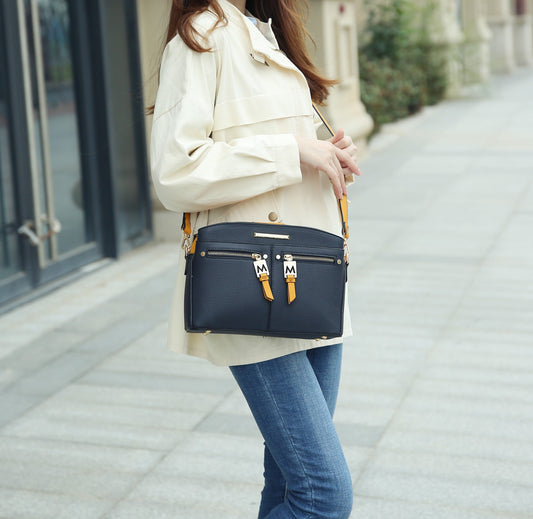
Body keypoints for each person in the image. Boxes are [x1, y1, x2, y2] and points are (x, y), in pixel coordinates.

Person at [150, 0, 361, 517]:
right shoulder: (201, 37)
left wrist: (327, 155)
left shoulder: (264, 30)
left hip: (311, 277)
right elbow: (176, 172)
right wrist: (293, 151)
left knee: (290, 484)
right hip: (254, 284)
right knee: (323, 495)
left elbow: (277, 152)